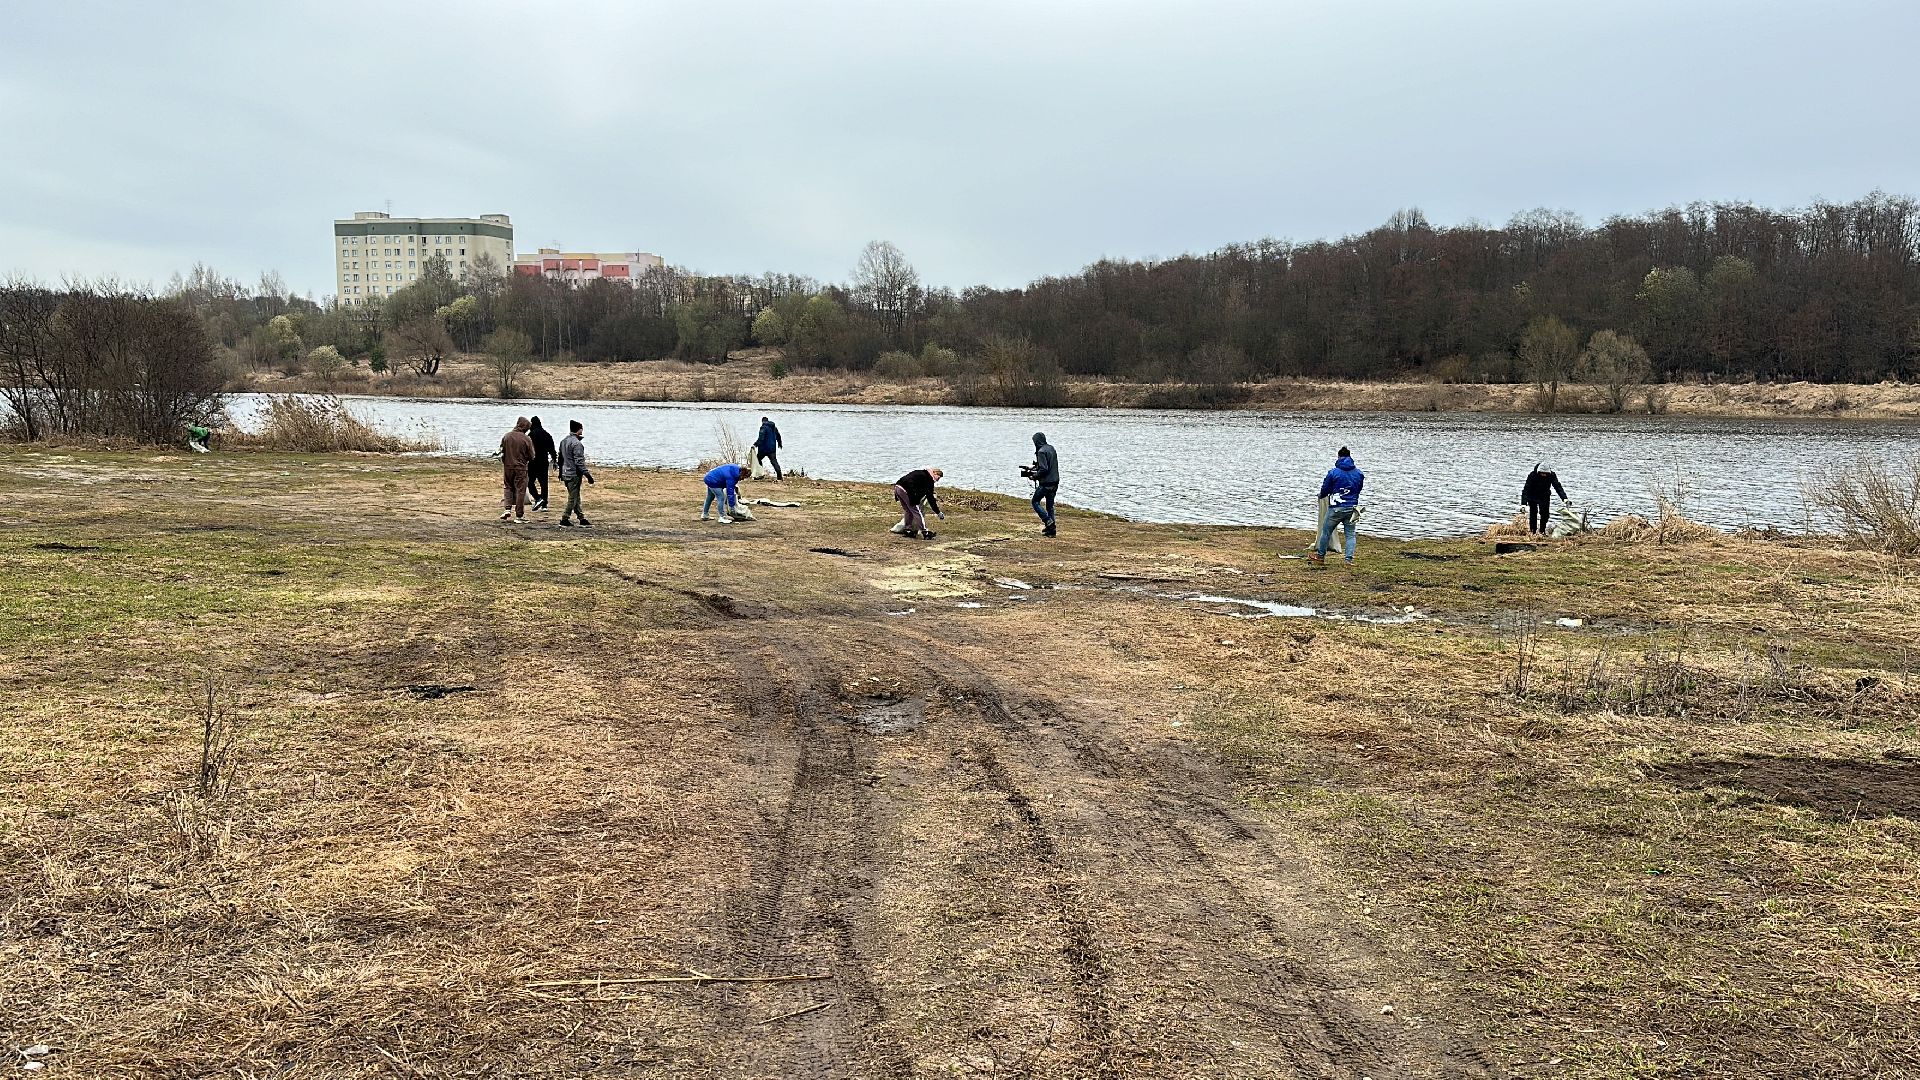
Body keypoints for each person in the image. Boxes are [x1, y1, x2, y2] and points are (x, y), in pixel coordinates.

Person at [1309, 449, 1365, 565]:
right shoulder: (1359, 473)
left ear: (1339, 457)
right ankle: (1348, 560)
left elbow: (1325, 489)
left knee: (1326, 532)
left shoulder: (1333, 472)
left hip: (1336, 508)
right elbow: (1359, 489)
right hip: (1351, 508)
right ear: (1350, 457)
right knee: (1350, 534)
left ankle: (1320, 556)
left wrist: (1321, 496)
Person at [557, 420, 594, 528]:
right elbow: (579, 462)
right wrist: (588, 475)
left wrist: (560, 472)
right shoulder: (577, 444)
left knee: (575, 496)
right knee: (573, 498)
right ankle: (565, 518)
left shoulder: (564, 441)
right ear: (579, 429)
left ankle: (581, 518)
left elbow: (561, 458)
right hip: (574, 474)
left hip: (565, 472)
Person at [500, 417, 535, 523]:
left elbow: (502, 451)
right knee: (520, 490)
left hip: (508, 466)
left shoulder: (507, 436)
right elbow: (532, 456)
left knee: (508, 487)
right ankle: (519, 515)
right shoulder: (526, 439)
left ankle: (507, 508)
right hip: (521, 468)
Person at [1025, 432, 1060, 537]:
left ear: (1037, 441)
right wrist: (1034, 467)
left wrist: (1034, 476)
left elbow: (1044, 469)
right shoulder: (1051, 448)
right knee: (1050, 506)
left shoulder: (1041, 452)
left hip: (1046, 483)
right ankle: (1051, 530)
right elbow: (1048, 465)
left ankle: (1048, 520)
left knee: (1035, 501)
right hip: (1055, 482)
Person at [893, 468, 944, 540]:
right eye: (938, 478)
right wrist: (938, 512)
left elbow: (910, 481)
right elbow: (930, 497)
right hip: (906, 490)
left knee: (908, 511)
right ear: (935, 473)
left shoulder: (921, 473)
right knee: (917, 511)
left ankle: (908, 529)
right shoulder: (928, 479)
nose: (937, 480)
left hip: (898, 487)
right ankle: (925, 532)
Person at [1522, 463, 1570, 535]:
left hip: (1544, 496)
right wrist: (1523, 504)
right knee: (1533, 514)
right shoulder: (1532, 475)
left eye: (1545, 473)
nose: (1544, 475)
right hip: (1532, 496)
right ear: (1539, 472)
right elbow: (1526, 489)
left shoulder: (1552, 475)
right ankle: (1533, 532)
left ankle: (1542, 531)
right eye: (1542, 473)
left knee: (1545, 515)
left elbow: (1557, 487)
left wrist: (1564, 498)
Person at [525, 416, 557, 511]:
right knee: (544, 483)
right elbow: (552, 449)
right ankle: (544, 505)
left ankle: (538, 498)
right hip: (544, 462)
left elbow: (527, 449)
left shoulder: (531, 434)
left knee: (529, 482)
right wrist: (554, 460)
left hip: (533, 462)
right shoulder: (547, 434)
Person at [753, 416, 784, 481]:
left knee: (758, 459)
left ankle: (760, 474)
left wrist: (755, 444)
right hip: (772, 449)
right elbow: (778, 435)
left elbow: (761, 438)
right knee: (774, 462)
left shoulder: (763, 428)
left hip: (763, 449)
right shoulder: (774, 428)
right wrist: (779, 443)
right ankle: (779, 477)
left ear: (762, 421)